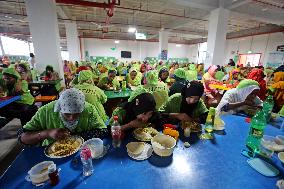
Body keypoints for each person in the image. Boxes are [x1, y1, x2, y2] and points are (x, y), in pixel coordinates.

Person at [18, 88, 107, 146]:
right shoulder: (46, 111)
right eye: (67, 114)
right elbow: (22, 138)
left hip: (82, 150)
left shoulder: (89, 109)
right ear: (59, 108)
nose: (72, 118)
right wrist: (47, 133)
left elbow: (102, 131)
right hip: (52, 151)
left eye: (77, 114)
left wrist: (74, 138)